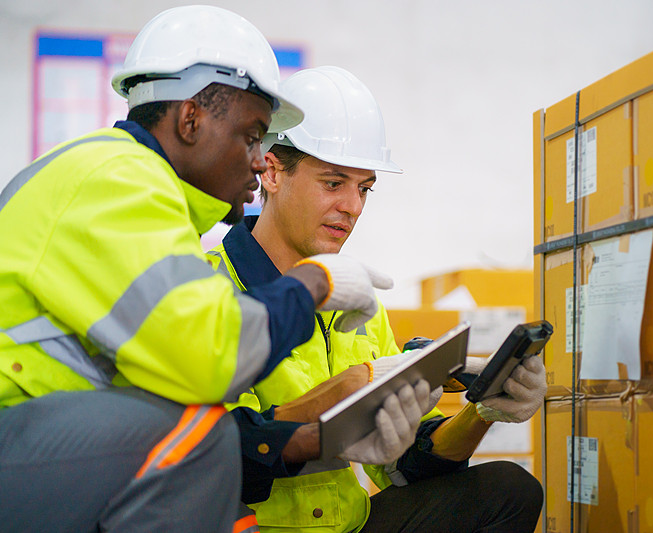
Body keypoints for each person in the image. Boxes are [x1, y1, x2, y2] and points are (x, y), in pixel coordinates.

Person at [0, 7, 431, 533]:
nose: (259, 160)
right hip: (16, 435)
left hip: (38, 436)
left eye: (364, 189)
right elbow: (208, 358)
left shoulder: (136, 192)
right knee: (204, 434)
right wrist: (316, 282)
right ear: (191, 120)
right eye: (252, 137)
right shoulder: (118, 181)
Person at [209, 66, 547, 533]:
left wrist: (482, 409)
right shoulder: (210, 291)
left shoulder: (360, 305)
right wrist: (344, 395)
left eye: (364, 188)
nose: (352, 207)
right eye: (333, 183)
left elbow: (407, 467)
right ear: (271, 172)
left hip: (351, 525)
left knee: (510, 489)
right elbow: (219, 454)